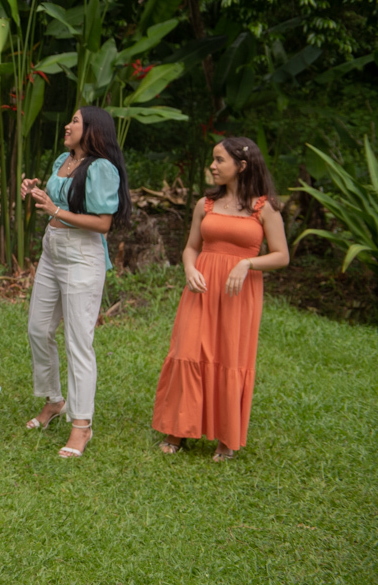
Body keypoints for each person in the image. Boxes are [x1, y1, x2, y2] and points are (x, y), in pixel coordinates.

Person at [152, 138, 289, 461]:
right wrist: (189, 268)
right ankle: (178, 429)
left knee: (230, 357)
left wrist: (248, 262)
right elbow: (191, 247)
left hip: (238, 292)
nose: (212, 166)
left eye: (219, 160)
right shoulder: (205, 204)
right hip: (200, 288)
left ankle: (226, 437)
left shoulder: (264, 208)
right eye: (213, 160)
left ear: (241, 166)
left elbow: (282, 256)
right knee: (187, 352)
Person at [19, 107, 131, 458]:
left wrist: (52, 209)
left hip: (82, 256)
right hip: (52, 251)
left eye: (75, 122)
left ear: (92, 130)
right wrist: (35, 189)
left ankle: (82, 424)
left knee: (78, 341)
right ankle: (54, 401)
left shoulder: (101, 168)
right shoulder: (63, 160)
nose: (67, 125)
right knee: (38, 329)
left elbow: (101, 223)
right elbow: (62, 197)